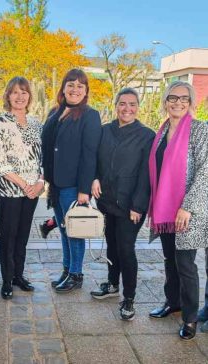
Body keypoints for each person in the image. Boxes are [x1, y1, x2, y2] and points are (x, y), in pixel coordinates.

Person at [147, 81, 208, 340]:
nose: (178, 102)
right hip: (165, 210)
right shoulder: (160, 132)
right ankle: (173, 302)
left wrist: (187, 207)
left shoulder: (200, 130)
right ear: (165, 101)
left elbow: (205, 171)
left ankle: (191, 318)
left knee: (185, 264)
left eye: (184, 98)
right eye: (173, 97)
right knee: (170, 260)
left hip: (189, 211)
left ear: (191, 102)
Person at [90, 88, 155, 320]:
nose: (127, 108)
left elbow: (146, 175)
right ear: (116, 105)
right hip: (107, 201)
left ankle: (129, 297)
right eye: (123, 103)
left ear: (138, 107)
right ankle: (112, 284)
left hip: (131, 206)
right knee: (112, 245)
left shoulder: (147, 135)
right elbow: (95, 159)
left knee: (126, 249)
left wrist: (138, 205)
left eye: (132, 104)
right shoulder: (104, 130)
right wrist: (94, 177)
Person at [42, 68, 102, 293]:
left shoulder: (90, 115)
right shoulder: (54, 112)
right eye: (71, 84)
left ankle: (76, 274)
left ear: (85, 90)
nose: (75, 89)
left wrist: (84, 189)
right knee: (64, 230)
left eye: (80, 85)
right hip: (55, 185)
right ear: (63, 87)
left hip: (74, 185)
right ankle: (67, 270)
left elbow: (90, 154)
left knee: (75, 230)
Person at [0, 76, 43, 300]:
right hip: (9, 191)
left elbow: (42, 157)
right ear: (8, 96)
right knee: (8, 236)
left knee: (22, 236)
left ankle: (19, 275)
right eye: (15, 92)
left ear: (29, 96)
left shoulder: (36, 123)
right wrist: (24, 184)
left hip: (32, 192)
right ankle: (7, 279)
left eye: (24, 92)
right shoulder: (0, 123)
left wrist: (39, 183)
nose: (20, 96)